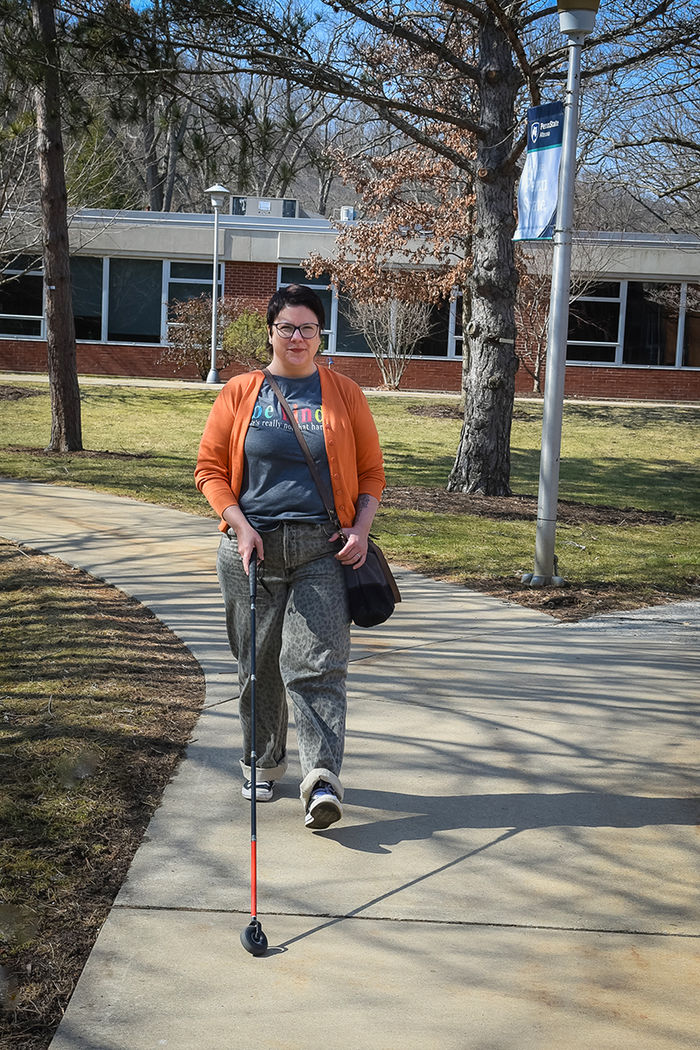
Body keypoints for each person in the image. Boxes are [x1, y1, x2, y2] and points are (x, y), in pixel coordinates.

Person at [195, 284, 385, 829]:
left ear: (320, 334)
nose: (297, 338)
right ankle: (262, 758)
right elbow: (209, 469)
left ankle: (321, 779)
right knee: (257, 665)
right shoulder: (239, 392)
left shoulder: (344, 394)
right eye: (287, 328)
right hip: (250, 547)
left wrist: (362, 530)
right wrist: (239, 524)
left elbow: (371, 472)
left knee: (319, 665)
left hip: (324, 548)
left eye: (307, 328)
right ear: (271, 333)